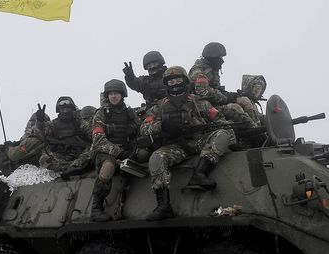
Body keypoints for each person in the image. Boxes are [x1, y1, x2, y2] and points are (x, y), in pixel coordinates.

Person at [141, 66, 236, 221]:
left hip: (200, 141)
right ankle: (163, 205)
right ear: (167, 84)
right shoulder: (159, 107)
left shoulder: (200, 103)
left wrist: (207, 126)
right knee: (156, 159)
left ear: (185, 82)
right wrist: (163, 126)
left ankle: (200, 173)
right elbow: (144, 128)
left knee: (223, 134)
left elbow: (221, 122)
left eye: (178, 80)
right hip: (176, 146)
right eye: (171, 81)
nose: (175, 83)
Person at [88, 79, 141, 221]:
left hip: (127, 150)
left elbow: (139, 132)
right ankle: (96, 208)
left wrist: (133, 148)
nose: (113, 96)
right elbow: (98, 140)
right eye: (110, 94)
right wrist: (118, 152)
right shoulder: (101, 114)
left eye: (116, 93)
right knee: (108, 166)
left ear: (122, 95)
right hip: (105, 153)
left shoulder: (130, 113)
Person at [0, 109, 51, 176]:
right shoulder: (45, 139)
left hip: (14, 168)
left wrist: (8, 147)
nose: (30, 125)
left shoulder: (33, 139)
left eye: (32, 123)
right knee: (1, 151)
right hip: (21, 166)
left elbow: (13, 155)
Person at [34, 96, 92, 174]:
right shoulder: (53, 124)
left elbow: (91, 134)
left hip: (81, 153)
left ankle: (76, 166)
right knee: (44, 160)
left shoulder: (79, 122)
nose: (65, 111)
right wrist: (40, 122)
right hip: (62, 155)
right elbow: (41, 132)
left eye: (68, 108)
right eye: (63, 109)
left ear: (72, 109)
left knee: (93, 149)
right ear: (59, 110)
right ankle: (69, 167)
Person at [188, 42, 233, 107]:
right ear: (213, 57)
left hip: (210, 103)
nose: (222, 60)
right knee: (234, 108)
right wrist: (227, 98)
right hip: (200, 105)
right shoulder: (199, 71)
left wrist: (231, 95)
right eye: (220, 57)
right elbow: (203, 92)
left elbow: (215, 88)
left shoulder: (211, 69)